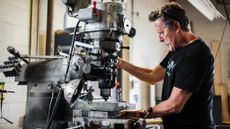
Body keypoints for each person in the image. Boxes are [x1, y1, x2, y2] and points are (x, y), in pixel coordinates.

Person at [118, 2, 215, 129]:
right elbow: (152, 76)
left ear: (176, 26)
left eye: (162, 32)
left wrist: (140, 113)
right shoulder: (177, 50)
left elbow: (175, 104)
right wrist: (120, 63)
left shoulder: (196, 54)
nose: (160, 38)